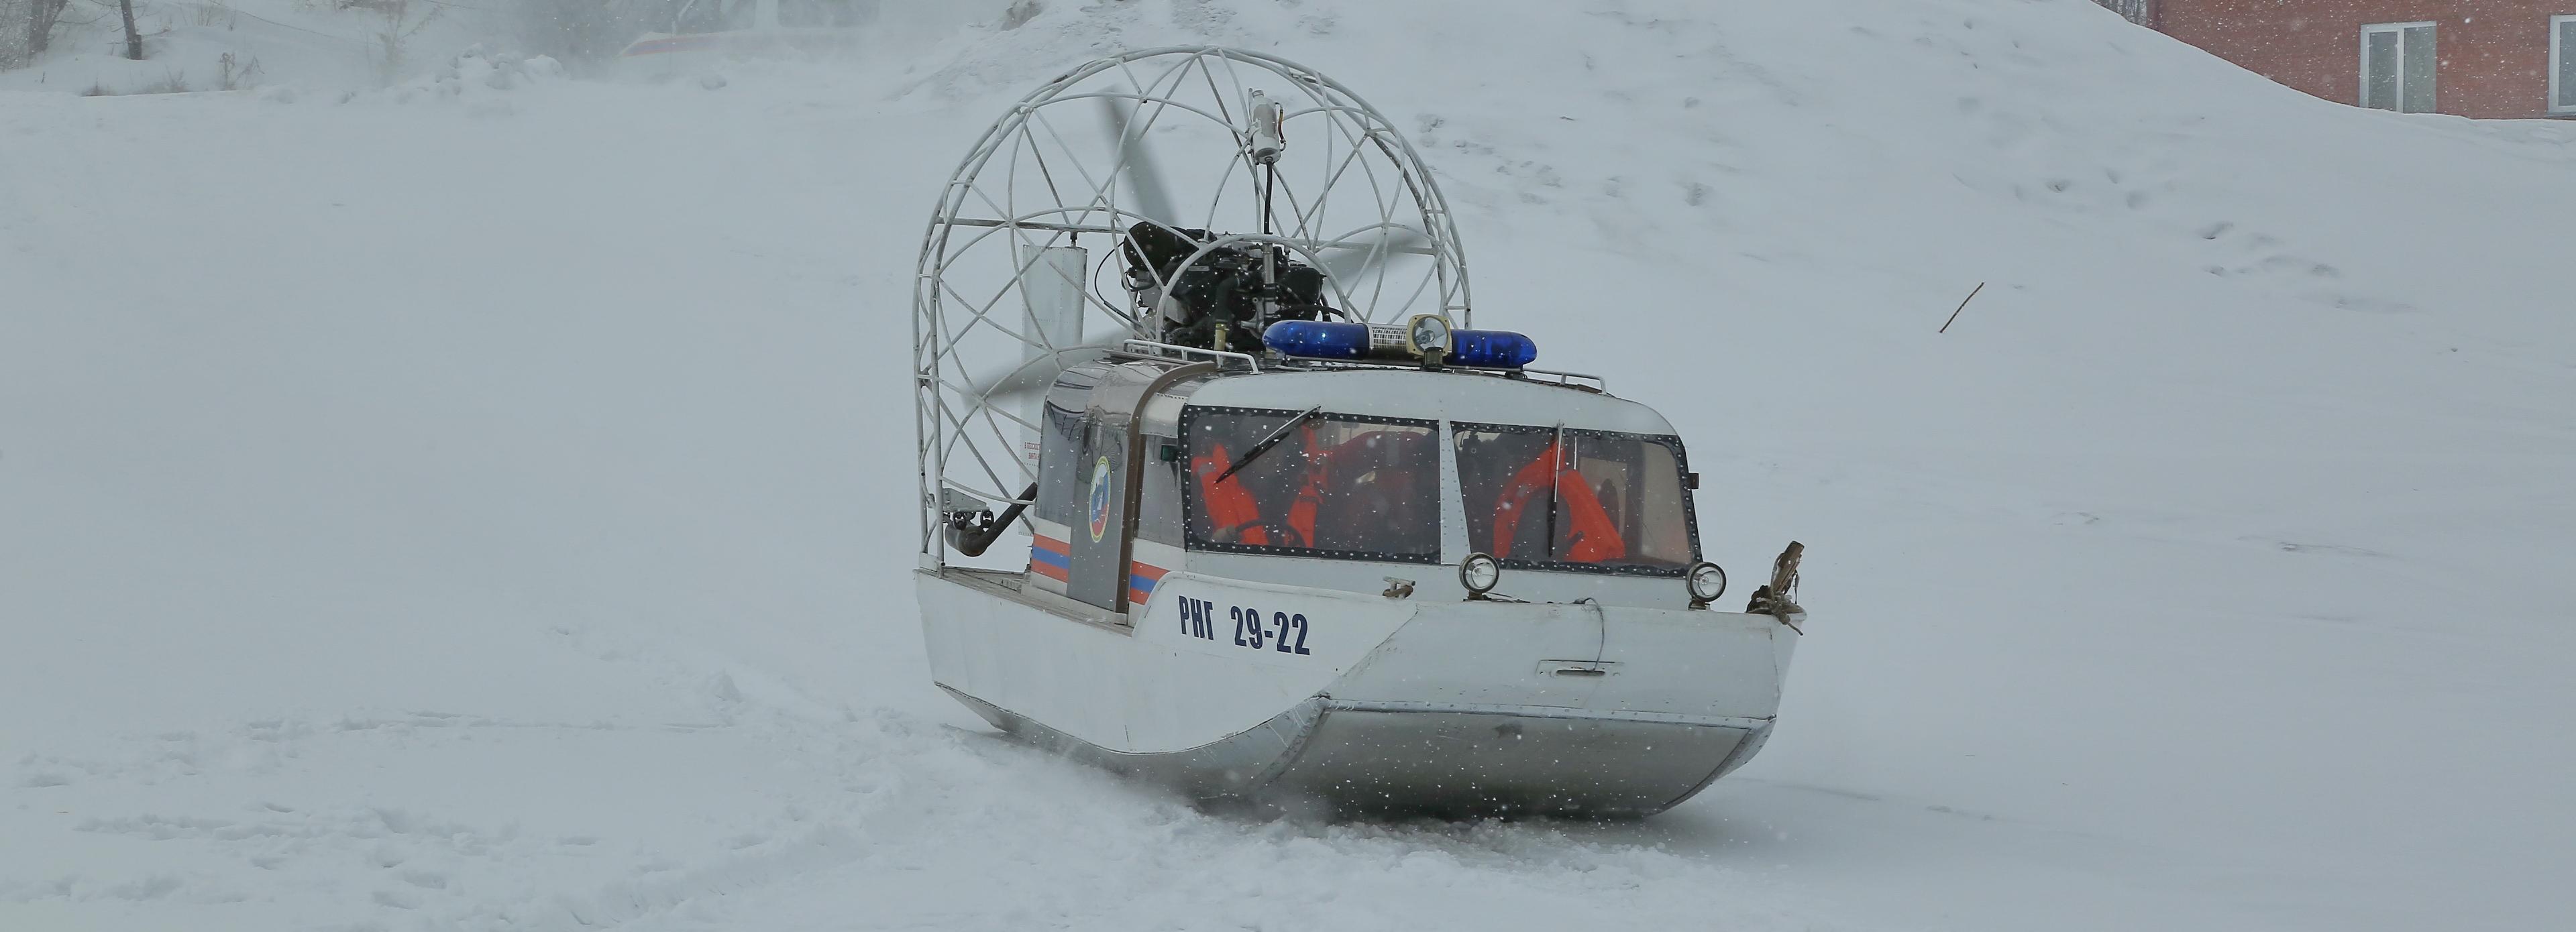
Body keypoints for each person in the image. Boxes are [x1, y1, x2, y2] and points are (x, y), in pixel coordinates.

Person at [1489, 440, 1625, 563]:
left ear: (1519, 458)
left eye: (1503, 462)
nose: (1502, 470)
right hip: (1581, 577)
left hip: (1572, 579)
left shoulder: (1545, 497)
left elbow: (1530, 564)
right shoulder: (1548, 482)